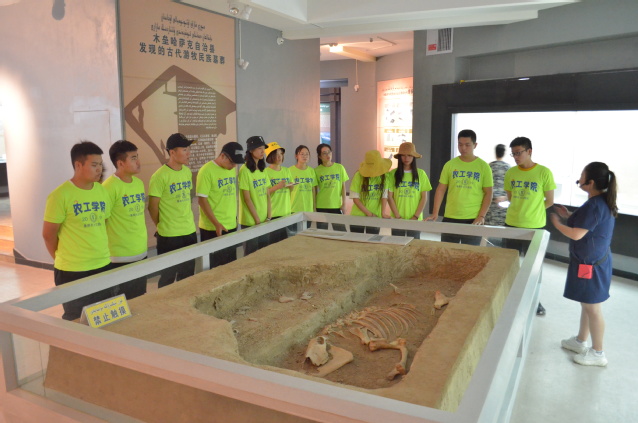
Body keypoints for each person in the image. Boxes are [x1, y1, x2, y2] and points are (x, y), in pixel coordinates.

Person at [550, 162, 617, 367]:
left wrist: (557, 224)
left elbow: (577, 234)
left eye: (582, 175)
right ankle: (581, 340)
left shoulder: (596, 204)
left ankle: (598, 353)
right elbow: (588, 224)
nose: (579, 179)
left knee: (592, 307)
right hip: (591, 262)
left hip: (592, 265)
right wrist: (569, 216)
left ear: (591, 182)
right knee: (586, 303)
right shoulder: (598, 201)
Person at [42, 141, 112, 320]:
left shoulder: (102, 191)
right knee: (75, 318)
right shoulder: (60, 195)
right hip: (72, 270)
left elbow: (103, 223)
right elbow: (48, 235)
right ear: (78, 165)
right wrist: (64, 259)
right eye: (94, 165)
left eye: (100, 164)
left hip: (102, 263)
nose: (99, 169)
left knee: (103, 315)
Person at [504, 136, 556, 315]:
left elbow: (549, 201)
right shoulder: (511, 173)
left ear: (529, 151)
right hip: (512, 224)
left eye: (519, 153)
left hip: (534, 227)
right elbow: (511, 197)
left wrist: (533, 211)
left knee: (533, 268)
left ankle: (535, 301)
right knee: (509, 265)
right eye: (513, 154)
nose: (516, 157)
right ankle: (508, 299)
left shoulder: (544, 172)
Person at [426, 129, 493, 245]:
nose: (463, 148)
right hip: (450, 217)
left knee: (470, 253)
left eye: (467, 145)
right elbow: (441, 189)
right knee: (448, 251)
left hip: (473, 219)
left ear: (475, 145)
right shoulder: (450, 165)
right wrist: (435, 212)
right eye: (460, 144)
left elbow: (488, 193)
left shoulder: (483, 166)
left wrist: (481, 216)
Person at [148, 133, 197, 287]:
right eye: (184, 149)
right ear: (172, 152)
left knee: (188, 275)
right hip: (169, 235)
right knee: (168, 277)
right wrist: (161, 224)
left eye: (188, 149)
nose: (188, 153)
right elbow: (152, 206)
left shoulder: (187, 172)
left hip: (189, 231)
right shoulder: (159, 176)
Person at [102, 140, 147, 300]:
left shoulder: (139, 183)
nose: (138, 162)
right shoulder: (108, 188)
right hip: (119, 258)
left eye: (137, 157)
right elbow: (102, 223)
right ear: (120, 163)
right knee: (122, 304)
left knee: (139, 301)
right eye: (133, 158)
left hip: (141, 253)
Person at [196, 141, 245, 268]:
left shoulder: (230, 169)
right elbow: (202, 200)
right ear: (223, 156)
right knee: (215, 268)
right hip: (212, 228)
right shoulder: (206, 171)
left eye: (236, 163)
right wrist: (216, 223)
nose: (234, 166)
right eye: (232, 162)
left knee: (230, 265)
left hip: (230, 225)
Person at [387, 143, 432, 238]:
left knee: (414, 244)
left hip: (415, 219)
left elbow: (424, 198)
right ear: (399, 157)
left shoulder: (421, 174)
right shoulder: (392, 174)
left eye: (409, 155)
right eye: (403, 155)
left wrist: (415, 216)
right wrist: (398, 217)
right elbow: (389, 197)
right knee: (397, 244)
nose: (406, 158)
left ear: (413, 157)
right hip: (397, 218)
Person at [239, 136, 271, 255]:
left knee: (264, 254)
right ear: (251, 150)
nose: (263, 151)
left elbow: (267, 194)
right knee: (251, 256)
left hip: (264, 220)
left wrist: (269, 216)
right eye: (259, 148)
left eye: (263, 148)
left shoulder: (263, 169)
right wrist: (257, 220)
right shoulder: (244, 170)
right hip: (251, 221)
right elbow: (247, 199)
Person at [349, 150, 392, 234]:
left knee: (372, 240)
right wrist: (369, 214)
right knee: (356, 240)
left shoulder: (385, 176)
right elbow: (355, 199)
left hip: (375, 214)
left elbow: (384, 196)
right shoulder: (358, 175)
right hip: (358, 215)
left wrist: (383, 212)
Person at [315, 143, 349, 231]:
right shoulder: (316, 170)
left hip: (336, 205)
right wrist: (314, 207)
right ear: (319, 156)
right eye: (324, 153)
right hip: (321, 205)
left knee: (341, 232)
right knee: (322, 232)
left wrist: (344, 204)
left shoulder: (339, 167)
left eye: (329, 152)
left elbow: (343, 187)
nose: (328, 155)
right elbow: (314, 191)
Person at [264, 141, 293, 243]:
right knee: (274, 244)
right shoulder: (265, 172)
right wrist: (277, 186)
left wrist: (291, 186)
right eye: (276, 154)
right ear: (270, 156)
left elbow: (291, 189)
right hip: (273, 212)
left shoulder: (286, 170)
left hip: (286, 211)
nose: (280, 157)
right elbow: (264, 192)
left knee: (285, 244)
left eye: (281, 154)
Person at [484, 144, 511, 227]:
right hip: (503, 203)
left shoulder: (488, 167)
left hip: (490, 204)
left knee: (489, 229)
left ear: (495, 153)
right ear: (504, 153)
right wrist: (505, 197)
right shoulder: (508, 168)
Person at [289, 145, 317, 213]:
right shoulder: (289, 171)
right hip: (294, 208)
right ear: (296, 156)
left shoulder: (311, 171)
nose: (305, 156)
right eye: (302, 154)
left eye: (307, 154)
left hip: (308, 209)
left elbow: (313, 190)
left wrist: (314, 207)